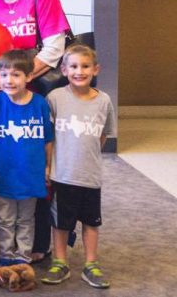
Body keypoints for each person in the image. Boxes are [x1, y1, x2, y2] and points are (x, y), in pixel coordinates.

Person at [0, 0, 70, 261]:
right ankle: (9, 245)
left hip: (37, 85)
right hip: (6, 88)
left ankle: (38, 245)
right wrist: (7, 83)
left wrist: (21, 76)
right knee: (11, 156)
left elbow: (54, 47)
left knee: (38, 165)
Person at [41, 44, 116, 289]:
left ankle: (91, 264)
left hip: (90, 176)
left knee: (92, 223)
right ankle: (59, 261)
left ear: (96, 69)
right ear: (63, 69)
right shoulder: (55, 98)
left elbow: (103, 136)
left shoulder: (104, 101)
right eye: (73, 66)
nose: (79, 71)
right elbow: (49, 137)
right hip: (62, 174)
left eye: (85, 66)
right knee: (61, 223)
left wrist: (87, 156)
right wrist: (49, 167)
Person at [0, 50, 54, 266]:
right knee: (6, 218)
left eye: (16, 75)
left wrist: (48, 166)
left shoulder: (39, 104)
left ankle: (23, 256)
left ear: (29, 77)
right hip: (5, 173)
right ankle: (7, 255)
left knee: (27, 218)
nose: (9, 80)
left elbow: (48, 139)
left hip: (31, 173)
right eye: (4, 75)